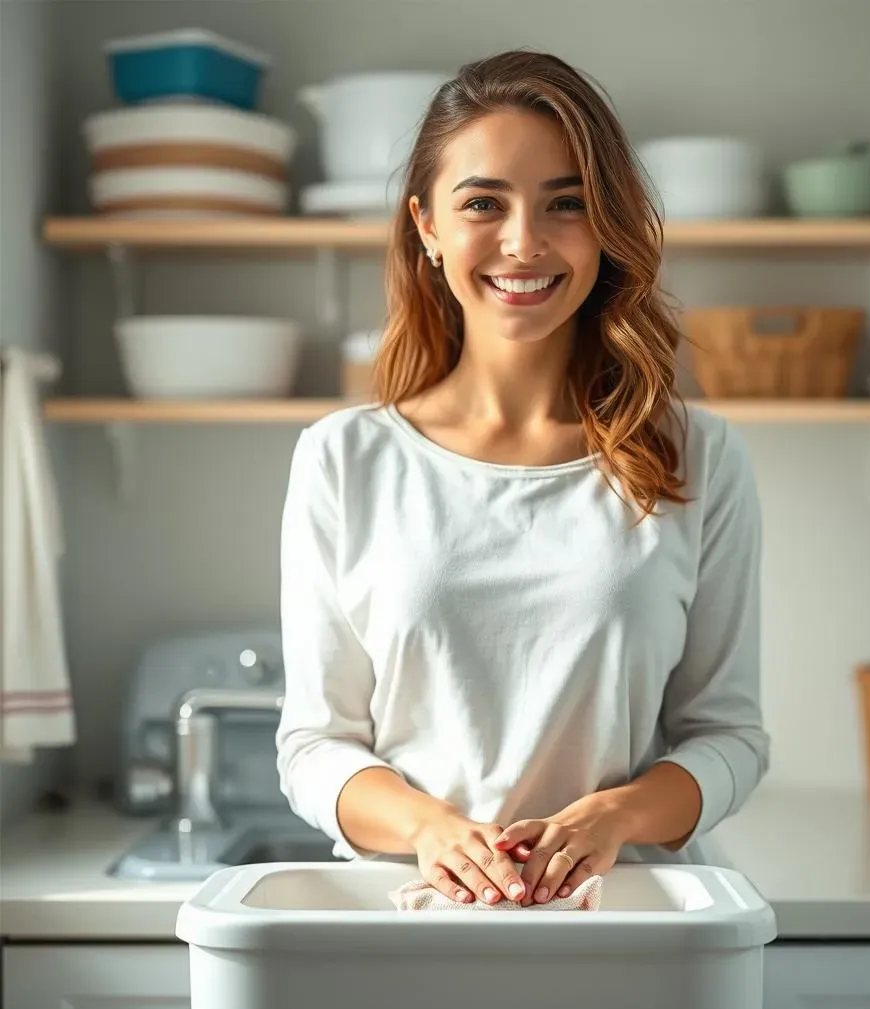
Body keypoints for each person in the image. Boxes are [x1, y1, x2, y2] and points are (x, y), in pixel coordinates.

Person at [276, 49, 769, 909]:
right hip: (410, 930)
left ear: (607, 225)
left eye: (565, 204)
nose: (524, 243)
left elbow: (728, 737)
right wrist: (431, 829)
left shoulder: (697, 457)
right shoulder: (343, 459)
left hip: (635, 924)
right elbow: (315, 746)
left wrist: (612, 818)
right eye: (483, 204)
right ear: (426, 225)